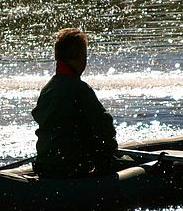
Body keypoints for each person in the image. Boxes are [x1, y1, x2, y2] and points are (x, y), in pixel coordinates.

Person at [32, 28, 120, 179]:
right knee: (119, 161)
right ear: (80, 58)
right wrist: (110, 154)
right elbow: (104, 126)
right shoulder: (80, 89)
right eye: (85, 57)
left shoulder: (48, 88)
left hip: (46, 164)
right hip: (72, 168)